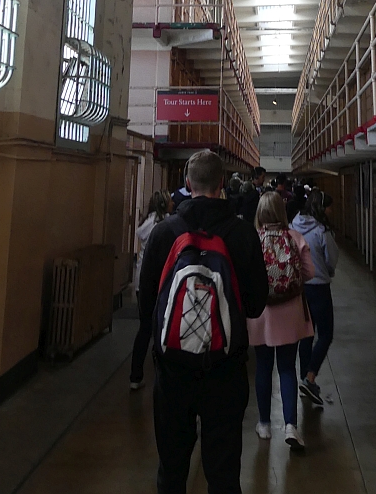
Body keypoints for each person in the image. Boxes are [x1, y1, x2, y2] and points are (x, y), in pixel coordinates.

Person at [139, 149, 269, 494]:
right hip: (225, 370)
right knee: (223, 475)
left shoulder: (164, 233)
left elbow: (147, 304)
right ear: (221, 183)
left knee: (171, 470)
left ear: (187, 183)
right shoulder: (242, 234)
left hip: (173, 371)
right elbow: (256, 305)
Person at [249, 191, 315, 450]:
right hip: (290, 313)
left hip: (261, 313)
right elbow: (310, 272)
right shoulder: (295, 238)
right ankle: (290, 425)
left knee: (263, 368)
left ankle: (264, 424)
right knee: (287, 368)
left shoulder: (254, 239)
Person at [291, 188, 339, 408]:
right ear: (322, 208)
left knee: (306, 335)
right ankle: (310, 378)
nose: (331, 211)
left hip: (301, 288)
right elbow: (331, 259)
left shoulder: (293, 226)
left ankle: (304, 378)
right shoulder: (322, 231)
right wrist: (327, 271)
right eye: (329, 207)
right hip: (319, 287)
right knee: (326, 334)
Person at [130, 190, 172, 390]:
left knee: (144, 328)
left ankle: (135, 375)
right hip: (160, 281)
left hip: (142, 282)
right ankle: (162, 376)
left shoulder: (145, 224)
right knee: (162, 329)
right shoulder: (166, 227)